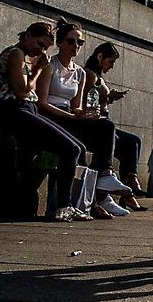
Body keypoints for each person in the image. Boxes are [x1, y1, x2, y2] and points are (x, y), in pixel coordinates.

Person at [0, 21, 90, 222]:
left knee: (77, 147)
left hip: (26, 112)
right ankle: (64, 206)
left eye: (45, 47)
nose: (41, 50)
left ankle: (66, 205)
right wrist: (38, 70)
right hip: (14, 113)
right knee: (71, 149)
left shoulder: (25, 56)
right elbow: (22, 90)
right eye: (39, 44)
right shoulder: (16, 53)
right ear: (27, 36)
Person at [36, 19, 134, 219]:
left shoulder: (80, 73)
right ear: (61, 43)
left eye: (79, 43)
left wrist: (85, 113)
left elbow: (76, 106)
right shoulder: (50, 66)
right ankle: (88, 200)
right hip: (51, 115)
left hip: (70, 117)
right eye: (71, 42)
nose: (76, 47)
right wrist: (72, 115)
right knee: (78, 146)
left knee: (105, 128)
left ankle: (104, 180)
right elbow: (42, 102)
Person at [83, 42, 146, 213]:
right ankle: (109, 193)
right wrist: (107, 97)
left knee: (133, 140)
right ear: (100, 57)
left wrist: (109, 97)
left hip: (104, 122)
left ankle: (130, 181)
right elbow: (84, 100)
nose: (112, 66)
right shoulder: (89, 74)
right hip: (95, 124)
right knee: (117, 142)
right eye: (110, 62)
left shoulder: (97, 75)